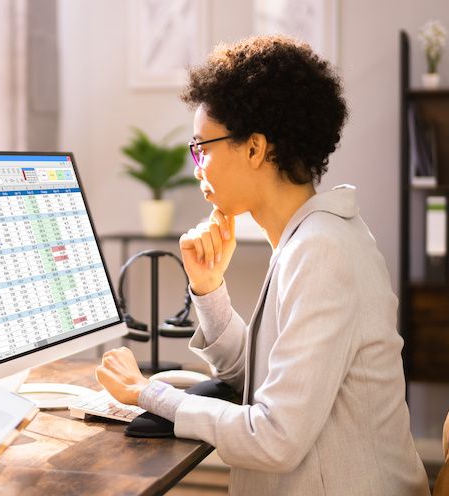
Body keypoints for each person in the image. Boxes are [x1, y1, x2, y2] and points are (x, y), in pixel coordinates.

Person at [96, 36, 430, 495]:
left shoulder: (322, 252)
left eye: (202, 148)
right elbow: (261, 381)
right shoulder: (310, 239)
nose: (198, 167)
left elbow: (273, 439)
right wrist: (210, 291)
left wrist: (146, 393)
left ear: (255, 149)